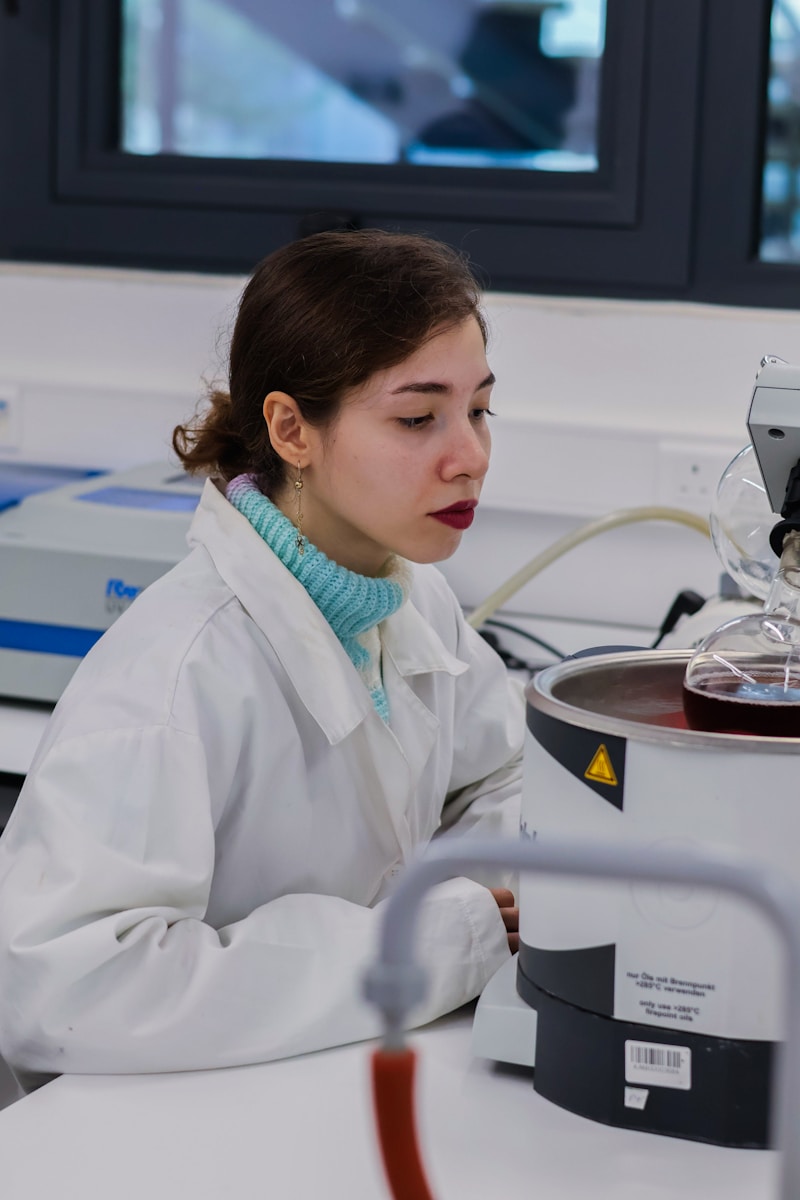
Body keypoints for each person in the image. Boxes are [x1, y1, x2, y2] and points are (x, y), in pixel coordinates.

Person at [0, 229, 524, 1091]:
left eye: (479, 410)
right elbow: (67, 992)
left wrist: (465, 915)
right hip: (167, 1120)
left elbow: (503, 778)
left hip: (331, 1068)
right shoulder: (179, 673)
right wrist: (428, 943)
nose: (471, 457)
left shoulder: (407, 596)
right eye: (417, 418)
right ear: (291, 430)